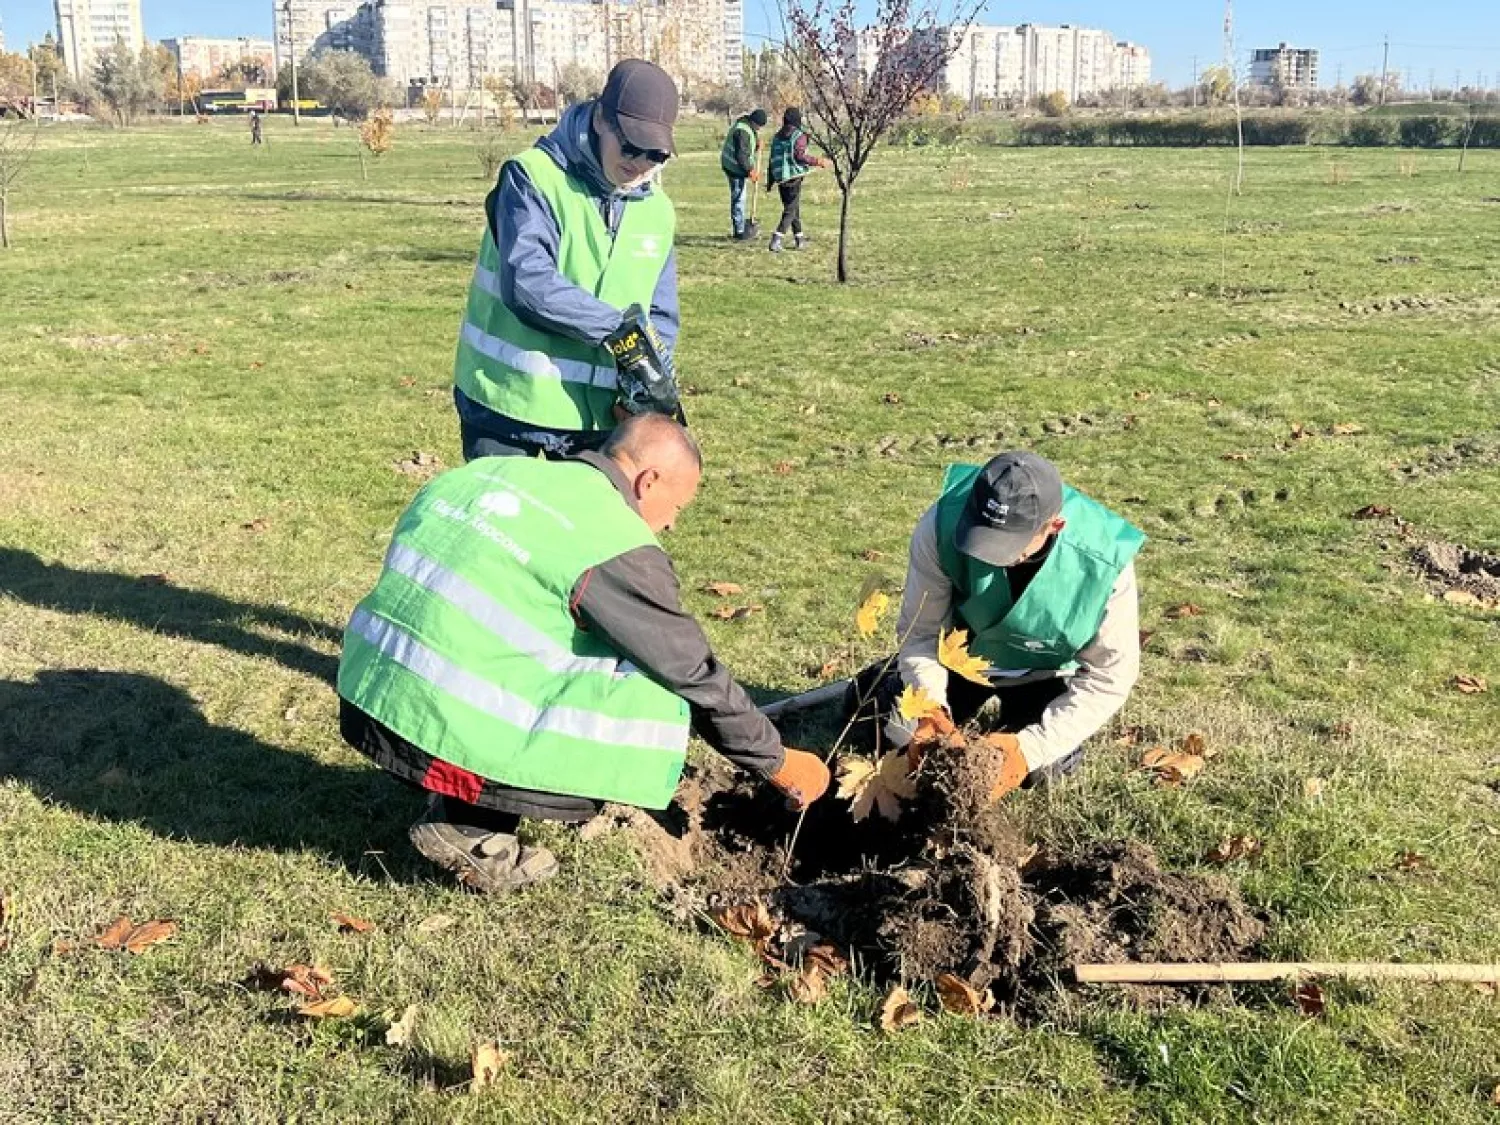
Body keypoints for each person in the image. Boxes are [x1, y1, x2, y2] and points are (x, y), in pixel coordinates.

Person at [337, 413, 832, 893]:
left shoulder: (493, 471)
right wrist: (776, 760)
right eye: (678, 508)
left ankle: (446, 784)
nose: (673, 525)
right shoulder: (613, 542)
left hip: (372, 688)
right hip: (438, 712)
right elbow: (689, 671)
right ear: (649, 480)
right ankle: (469, 831)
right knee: (638, 686)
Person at [851, 451, 1144, 799]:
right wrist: (929, 706)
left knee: (1042, 773)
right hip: (957, 660)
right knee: (892, 736)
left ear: (1054, 527)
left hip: (1042, 672)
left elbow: (1110, 677)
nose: (985, 556)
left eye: (1005, 546)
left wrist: (1028, 750)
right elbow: (922, 633)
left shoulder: (1105, 563)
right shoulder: (940, 524)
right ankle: (887, 679)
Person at [453, 59, 684, 462]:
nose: (639, 163)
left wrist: (650, 377)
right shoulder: (533, 178)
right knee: (505, 526)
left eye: (655, 154)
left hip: (595, 423)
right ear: (599, 120)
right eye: (630, 145)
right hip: (507, 405)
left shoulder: (659, 212)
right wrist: (619, 333)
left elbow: (660, 315)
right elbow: (528, 283)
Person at [765, 107, 827, 252]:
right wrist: (817, 161)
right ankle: (776, 239)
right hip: (794, 177)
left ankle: (799, 239)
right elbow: (799, 156)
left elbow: (771, 160)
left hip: (780, 177)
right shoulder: (799, 136)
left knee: (793, 209)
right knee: (790, 210)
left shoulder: (776, 137)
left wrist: (770, 181)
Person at [719, 108, 766, 241]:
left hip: (737, 165)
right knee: (739, 197)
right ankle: (739, 231)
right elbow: (741, 155)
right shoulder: (742, 130)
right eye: (759, 126)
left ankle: (740, 227)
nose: (759, 129)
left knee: (740, 196)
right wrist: (750, 171)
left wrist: (757, 145)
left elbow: (747, 146)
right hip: (733, 166)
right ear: (754, 122)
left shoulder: (747, 126)